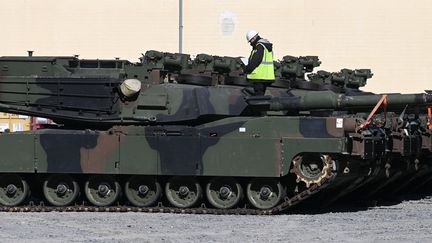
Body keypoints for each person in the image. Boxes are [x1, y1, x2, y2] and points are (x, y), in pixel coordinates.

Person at [243, 30, 275, 95]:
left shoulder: (259, 46)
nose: (250, 43)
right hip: (266, 77)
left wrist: (247, 69)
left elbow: (255, 61)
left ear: (254, 38)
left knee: (257, 98)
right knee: (261, 97)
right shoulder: (266, 46)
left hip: (259, 78)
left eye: (251, 41)